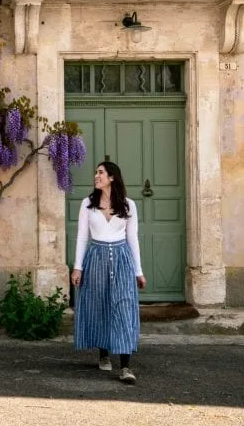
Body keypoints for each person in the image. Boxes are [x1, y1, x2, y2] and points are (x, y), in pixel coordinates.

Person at [70, 161, 146, 384]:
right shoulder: (88, 204)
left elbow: (133, 239)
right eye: (96, 172)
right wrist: (78, 266)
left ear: (112, 177)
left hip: (122, 259)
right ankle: (103, 353)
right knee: (100, 305)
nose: (96, 176)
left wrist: (138, 271)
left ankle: (125, 367)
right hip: (96, 258)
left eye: (100, 172)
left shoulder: (128, 205)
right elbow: (82, 237)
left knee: (123, 307)